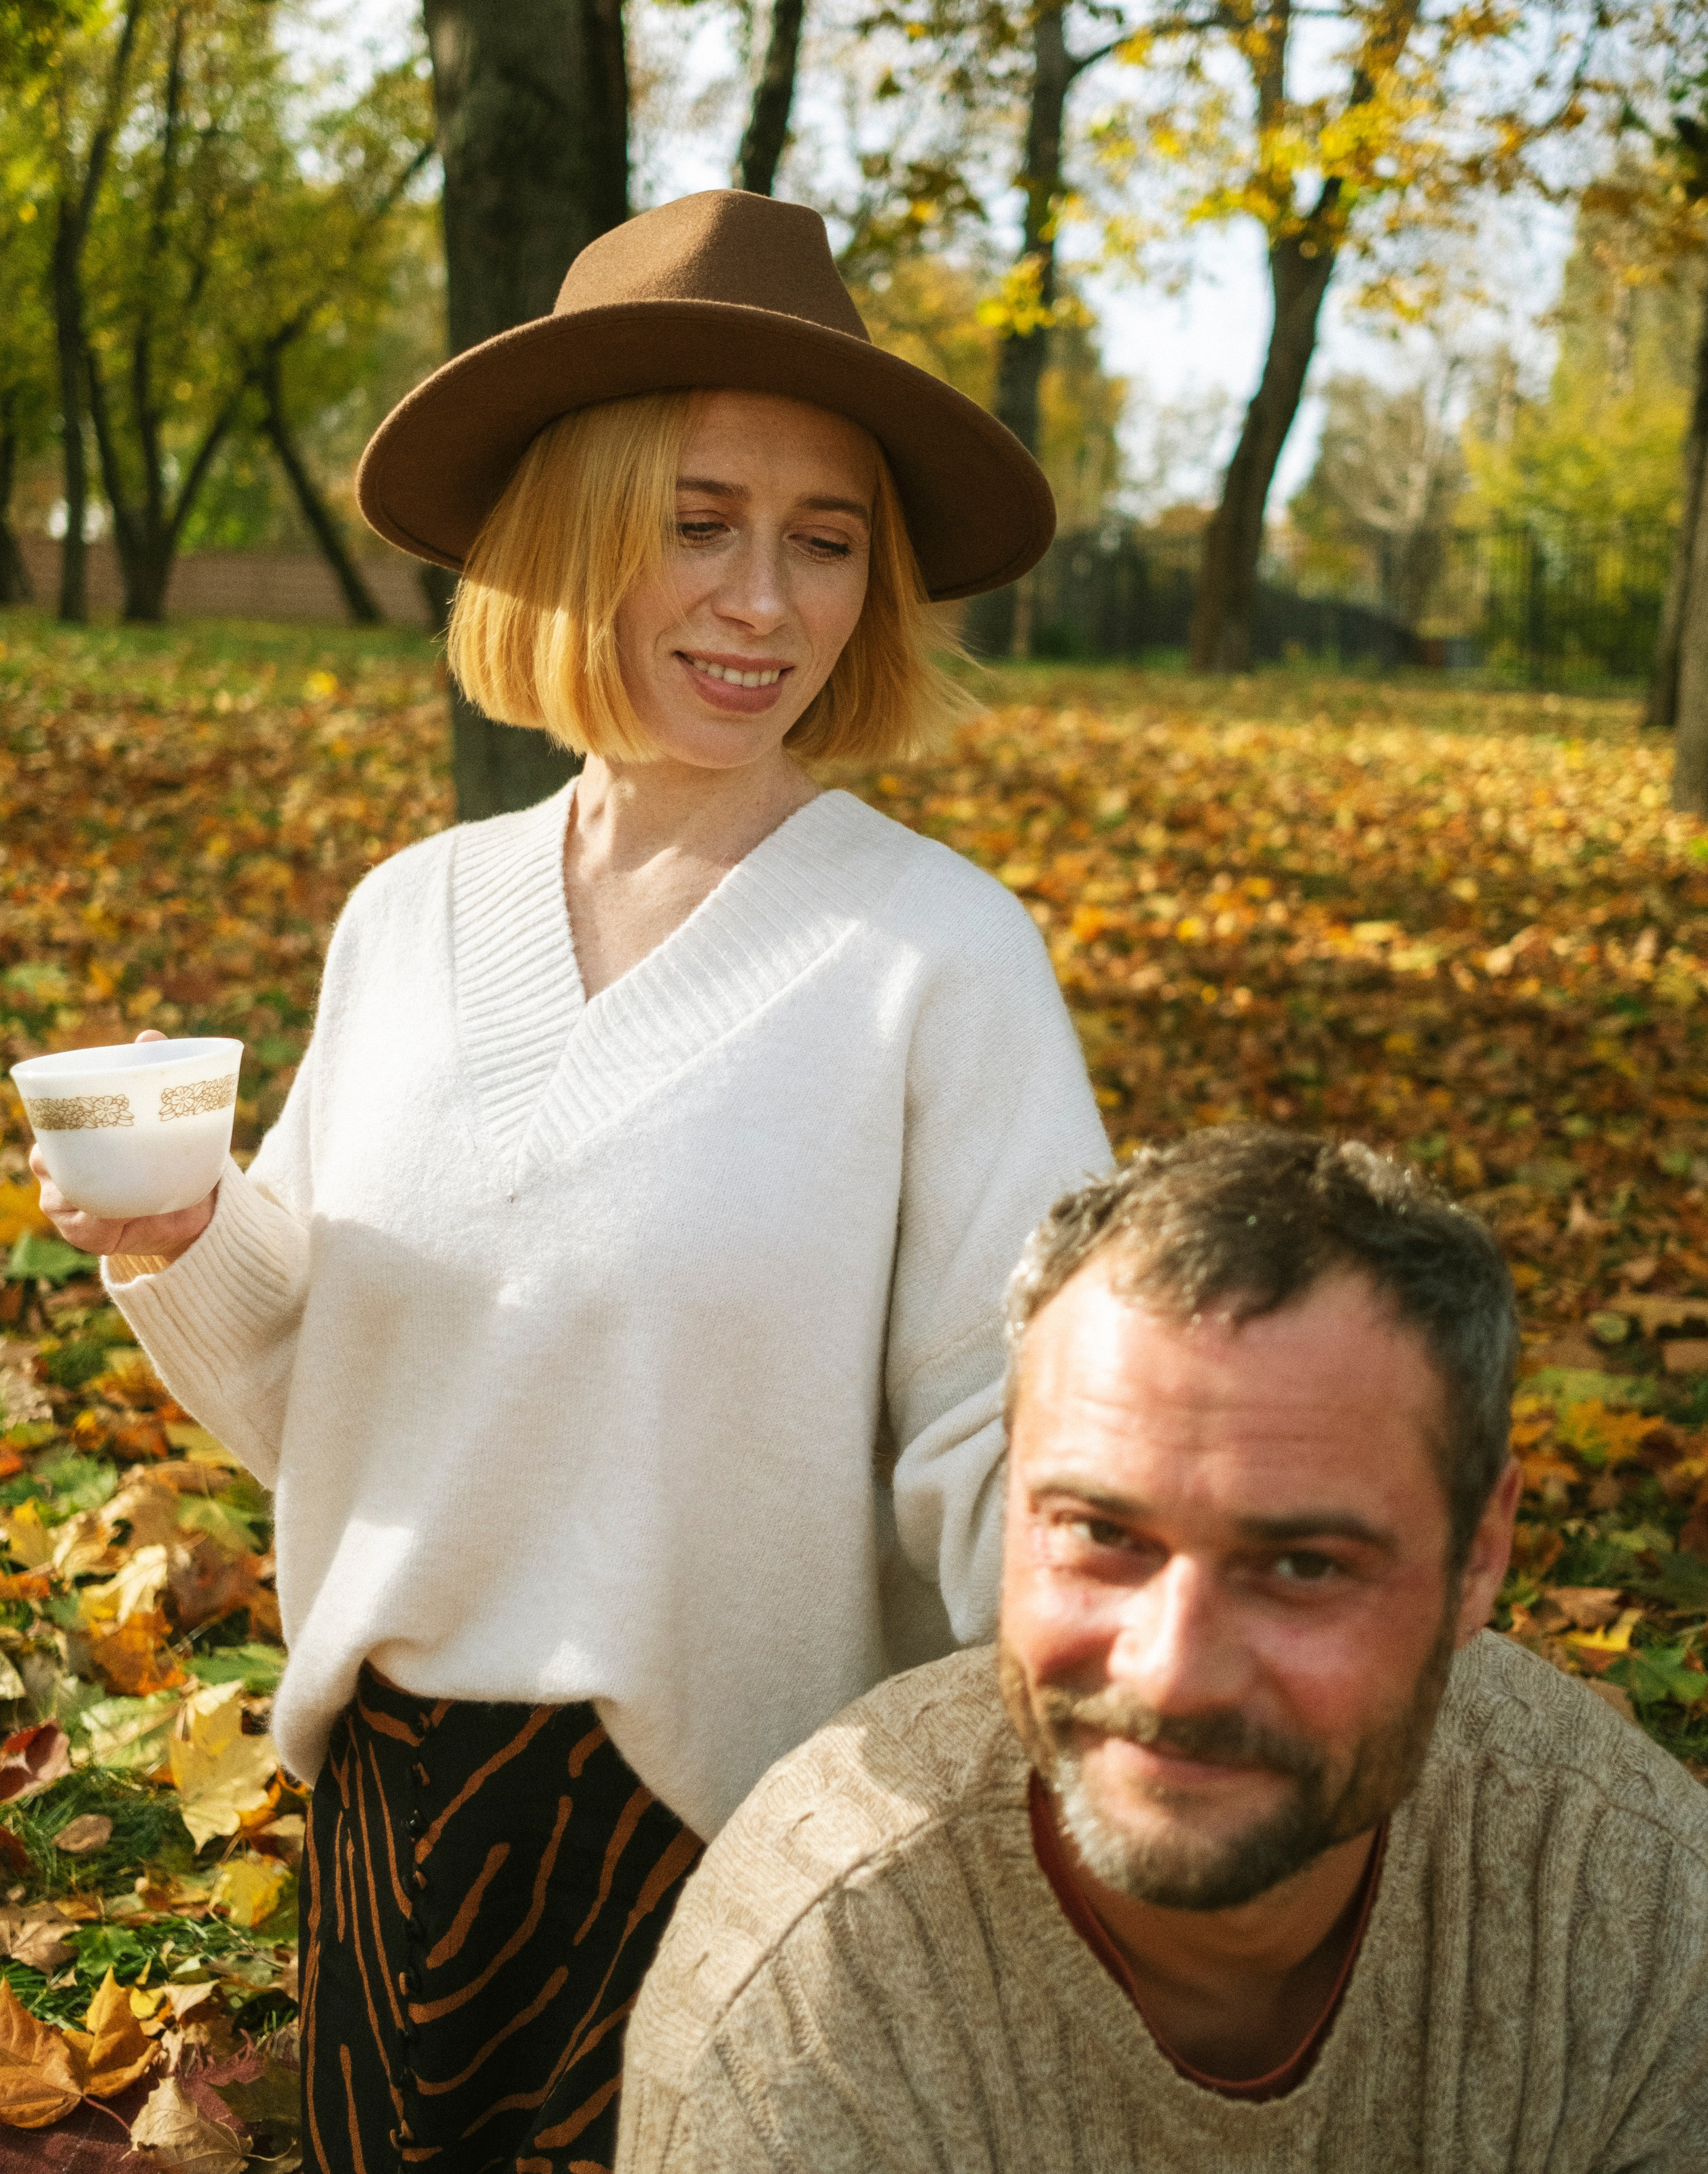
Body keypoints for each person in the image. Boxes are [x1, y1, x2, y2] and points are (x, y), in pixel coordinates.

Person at [32, 190, 1109, 2169]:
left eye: (826, 540)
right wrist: (187, 1242)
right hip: (390, 1812)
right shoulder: (413, 918)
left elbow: (1012, 1425)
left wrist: (1123, 1689)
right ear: (569, 538)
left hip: (742, 1829)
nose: (764, 601)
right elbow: (326, 1385)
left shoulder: (938, 959)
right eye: (699, 521)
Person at [618, 1126, 1708, 2173]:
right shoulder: (809, 2014)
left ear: (1481, 1556)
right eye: (1105, 1536)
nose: (1172, 1672)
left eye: (1303, 1566)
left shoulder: (1654, 1942)